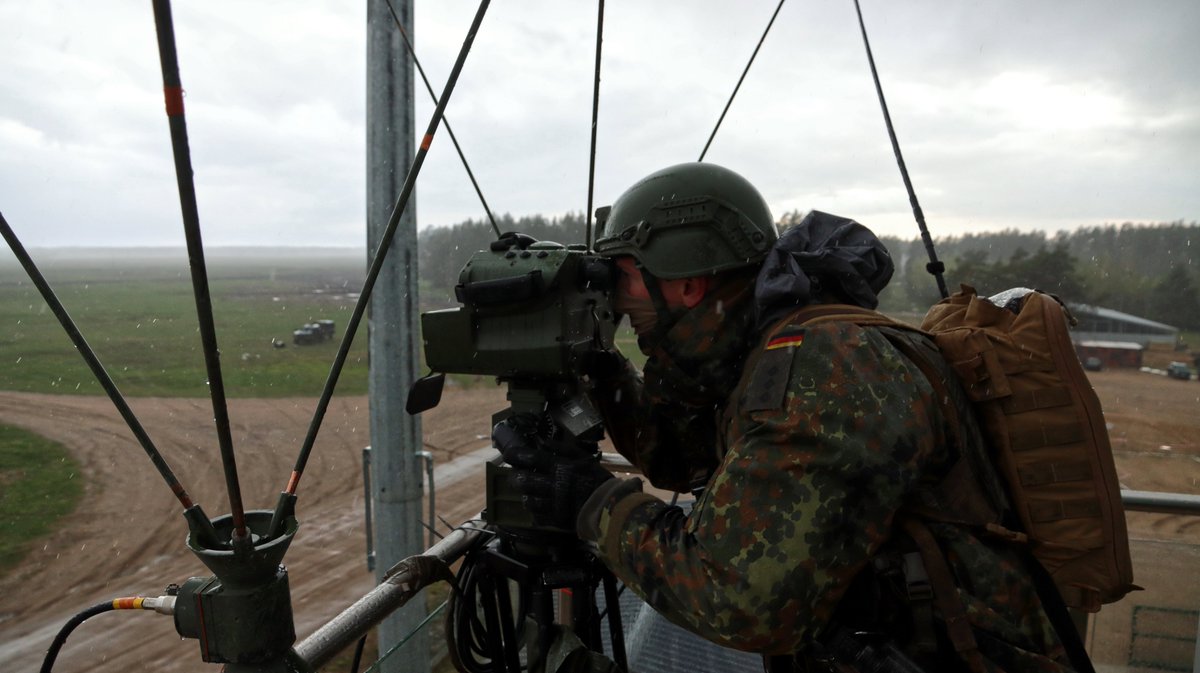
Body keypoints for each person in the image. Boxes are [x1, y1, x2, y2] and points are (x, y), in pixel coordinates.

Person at [494, 162, 1079, 672]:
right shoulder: (765, 347)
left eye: (622, 278)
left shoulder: (830, 366)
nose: (617, 303)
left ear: (689, 283)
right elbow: (682, 455)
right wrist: (592, 364)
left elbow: (739, 599)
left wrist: (590, 503)